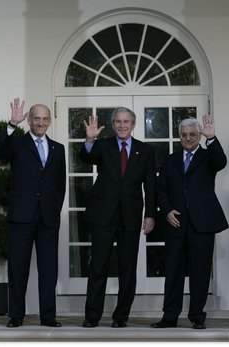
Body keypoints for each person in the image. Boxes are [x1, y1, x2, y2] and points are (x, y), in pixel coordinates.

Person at [80, 107, 156, 328]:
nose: (122, 125)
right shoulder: (102, 146)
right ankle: (92, 316)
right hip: (103, 214)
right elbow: (86, 156)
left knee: (127, 268)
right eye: (118, 122)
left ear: (133, 124)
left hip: (131, 217)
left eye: (126, 122)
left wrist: (150, 214)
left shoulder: (146, 151)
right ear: (112, 125)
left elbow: (151, 186)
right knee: (98, 266)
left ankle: (120, 317)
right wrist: (89, 139)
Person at [150, 115, 229, 329]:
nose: (188, 138)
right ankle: (170, 317)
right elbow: (160, 190)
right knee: (173, 271)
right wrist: (166, 211)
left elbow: (221, 162)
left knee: (200, 272)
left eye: (193, 134)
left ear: (199, 135)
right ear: (179, 136)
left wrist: (211, 138)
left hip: (202, 224)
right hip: (175, 224)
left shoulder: (208, 156)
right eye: (184, 135)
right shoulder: (169, 160)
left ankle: (196, 316)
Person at [0, 98, 66, 328]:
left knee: (49, 269)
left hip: (47, 218)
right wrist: (12, 125)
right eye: (36, 118)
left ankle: (48, 316)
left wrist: (54, 210)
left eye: (45, 118)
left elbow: (60, 184)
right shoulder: (18, 144)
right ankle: (16, 315)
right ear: (30, 119)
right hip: (21, 216)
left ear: (50, 121)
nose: (41, 122)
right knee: (18, 267)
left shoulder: (58, 148)